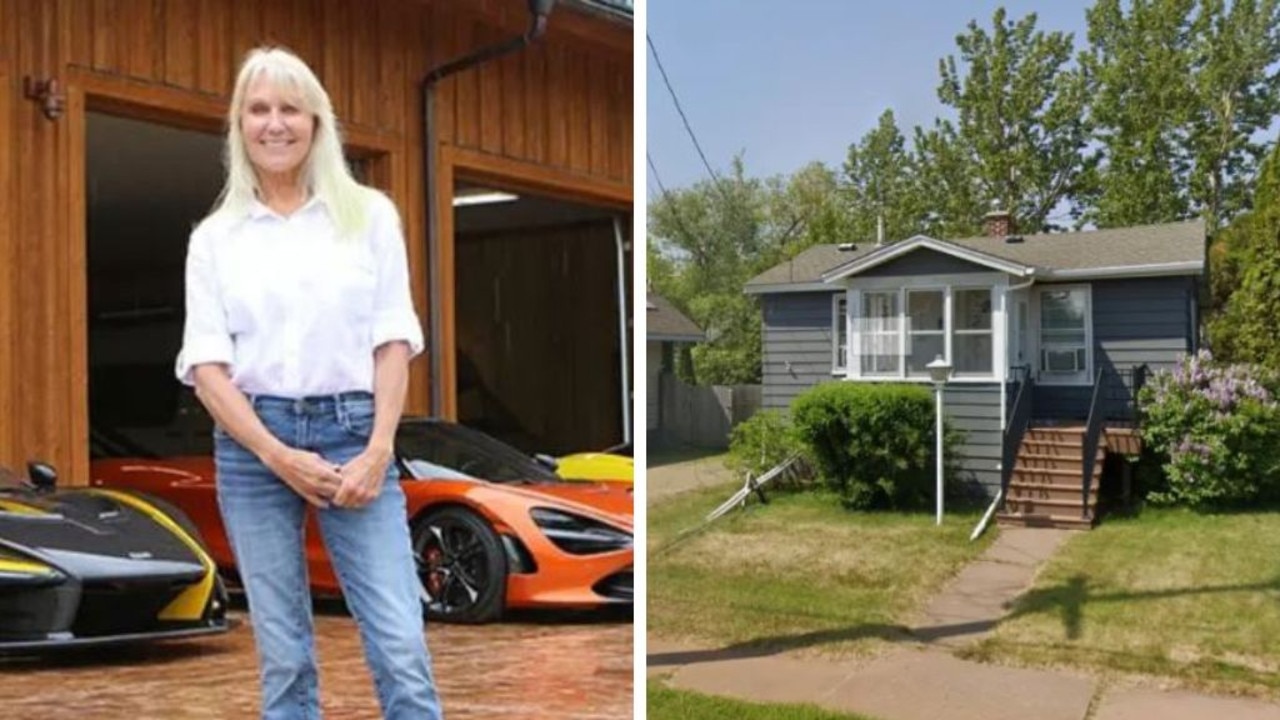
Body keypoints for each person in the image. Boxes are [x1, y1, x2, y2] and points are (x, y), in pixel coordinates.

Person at [175, 47, 443, 720]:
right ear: (239, 126)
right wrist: (275, 454)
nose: (275, 124)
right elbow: (208, 369)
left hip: (357, 434)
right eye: (258, 109)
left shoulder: (370, 216)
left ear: (317, 122)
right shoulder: (216, 238)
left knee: (400, 643)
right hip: (253, 451)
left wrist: (380, 447)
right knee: (287, 656)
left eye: (290, 108)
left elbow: (393, 339)